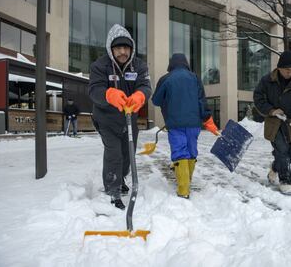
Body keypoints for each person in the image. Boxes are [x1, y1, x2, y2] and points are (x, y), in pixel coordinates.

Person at [88, 24, 152, 210]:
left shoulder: (139, 65)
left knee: (127, 153)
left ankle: (121, 177)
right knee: (114, 153)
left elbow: (146, 86)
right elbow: (94, 90)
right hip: (106, 118)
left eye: (126, 48)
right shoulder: (100, 66)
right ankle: (112, 188)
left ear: (131, 48)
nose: (122, 52)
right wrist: (109, 94)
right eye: (118, 48)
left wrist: (140, 95)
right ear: (111, 49)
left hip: (129, 118)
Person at [152, 53, 219, 199]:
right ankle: (187, 181)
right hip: (194, 124)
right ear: (186, 64)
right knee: (191, 150)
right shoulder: (195, 78)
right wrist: (207, 118)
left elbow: (156, 100)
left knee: (180, 152)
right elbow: (202, 101)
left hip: (175, 124)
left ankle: (183, 190)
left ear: (171, 64)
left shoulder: (166, 78)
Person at [253, 51, 291, 195]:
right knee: (282, 150)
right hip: (274, 122)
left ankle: (275, 167)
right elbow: (258, 98)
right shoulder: (267, 80)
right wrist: (272, 111)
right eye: (286, 69)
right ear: (279, 68)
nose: (289, 72)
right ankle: (285, 181)